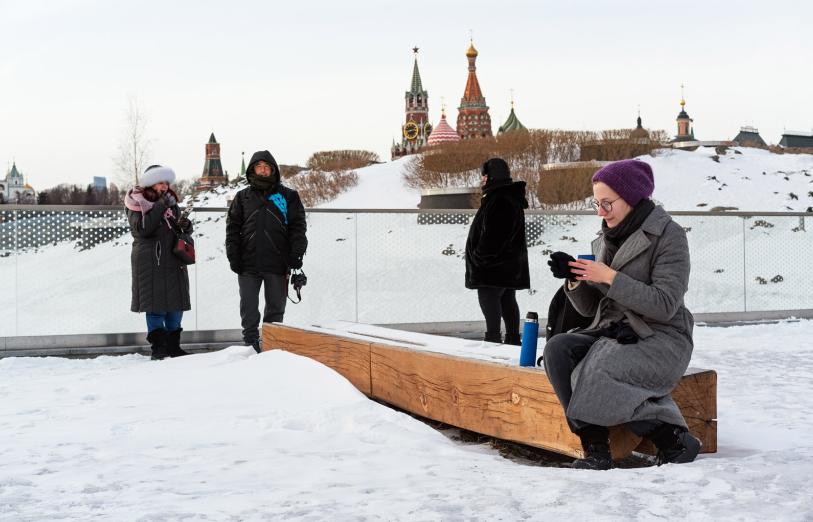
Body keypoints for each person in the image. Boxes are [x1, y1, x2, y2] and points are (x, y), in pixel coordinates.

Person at [543, 159, 701, 470]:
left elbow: (665, 304)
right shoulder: (606, 238)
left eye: (607, 203)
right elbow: (592, 309)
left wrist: (610, 278)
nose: (600, 212)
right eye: (596, 204)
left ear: (629, 197)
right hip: (614, 332)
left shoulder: (669, 235)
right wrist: (574, 279)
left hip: (661, 335)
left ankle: (673, 439)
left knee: (599, 368)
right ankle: (596, 450)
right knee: (557, 350)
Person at [226, 150, 308, 353]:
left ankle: (272, 345)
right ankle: (250, 345)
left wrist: (297, 254)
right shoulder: (242, 197)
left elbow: (298, 227)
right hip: (247, 263)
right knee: (248, 307)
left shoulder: (289, 196)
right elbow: (232, 229)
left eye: (266, 167)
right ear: (253, 169)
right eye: (258, 167)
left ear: (273, 169)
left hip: (278, 263)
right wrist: (233, 256)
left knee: (276, 308)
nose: (262, 171)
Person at [125, 165, 193, 360]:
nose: (165, 186)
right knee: (156, 307)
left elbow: (179, 228)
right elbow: (142, 229)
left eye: (166, 183)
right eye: (161, 182)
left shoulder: (170, 202)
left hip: (173, 258)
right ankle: (159, 349)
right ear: (150, 182)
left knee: (175, 306)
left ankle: (174, 347)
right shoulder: (135, 202)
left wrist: (186, 226)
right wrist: (160, 205)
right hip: (150, 261)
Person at [464, 158, 530, 345]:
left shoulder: (500, 198)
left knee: (489, 298)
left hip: (493, 265)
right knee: (507, 299)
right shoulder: (505, 196)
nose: (482, 180)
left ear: (491, 176)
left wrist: (479, 257)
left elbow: (495, 233)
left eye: (484, 176)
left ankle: (493, 341)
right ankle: (512, 340)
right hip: (506, 263)